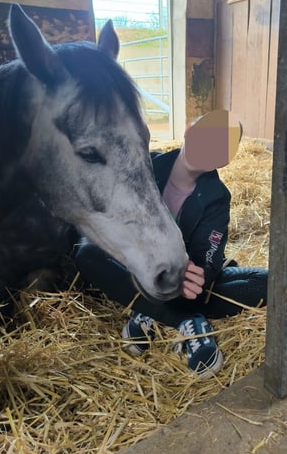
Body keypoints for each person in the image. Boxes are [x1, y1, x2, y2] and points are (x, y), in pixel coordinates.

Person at [73, 110, 268, 379]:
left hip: (179, 277)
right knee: (87, 252)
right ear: (189, 130)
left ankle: (151, 313)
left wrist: (200, 275)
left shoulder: (217, 197)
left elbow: (209, 253)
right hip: (137, 269)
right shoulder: (145, 168)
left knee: (267, 282)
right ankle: (186, 321)